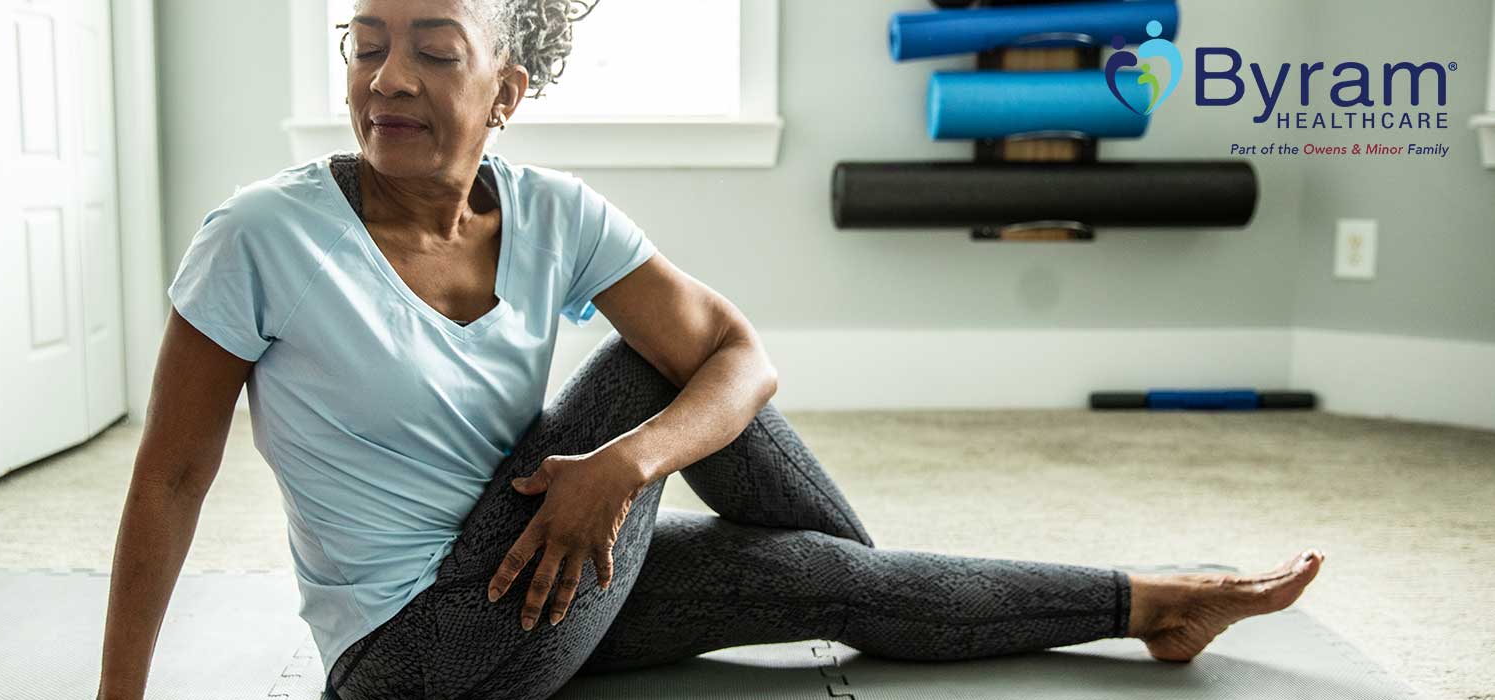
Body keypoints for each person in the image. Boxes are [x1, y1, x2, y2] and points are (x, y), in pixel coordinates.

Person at [95, 1, 1325, 698]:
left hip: (537, 576)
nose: (386, 79)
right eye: (365, 44)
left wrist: (623, 469)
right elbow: (171, 476)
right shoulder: (261, 236)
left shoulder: (555, 211)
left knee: (731, 465)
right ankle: (866, 583)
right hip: (411, 659)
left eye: (431, 48)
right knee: (658, 374)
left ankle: (1150, 603)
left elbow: (745, 354)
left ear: (506, 91)